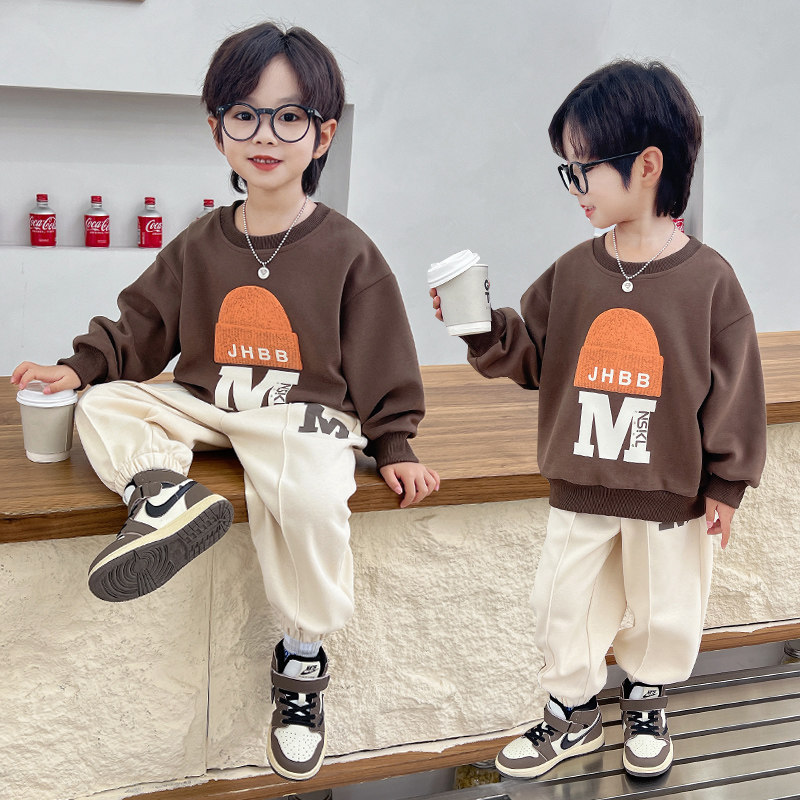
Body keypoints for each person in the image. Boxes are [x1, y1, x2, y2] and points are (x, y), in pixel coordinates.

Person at [12, 21, 439, 782]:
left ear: (323, 134)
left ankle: (302, 657)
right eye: (244, 114)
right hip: (208, 407)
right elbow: (141, 326)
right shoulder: (199, 243)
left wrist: (394, 444)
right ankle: (162, 496)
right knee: (107, 406)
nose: (264, 134)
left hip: (302, 420)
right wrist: (79, 370)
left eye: (289, 116)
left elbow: (382, 354)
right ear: (217, 130)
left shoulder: (349, 251)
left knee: (313, 495)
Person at [431, 59, 766, 779]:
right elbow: (533, 354)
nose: (574, 186)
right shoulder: (572, 271)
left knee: (666, 608)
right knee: (562, 604)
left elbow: (735, 387)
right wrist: (480, 328)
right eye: (569, 170)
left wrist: (727, 483)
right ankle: (572, 713)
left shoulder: (710, 281)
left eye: (584, 169)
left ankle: (647, 701)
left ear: (647, 165)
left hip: (671, 494)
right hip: (581, 482)